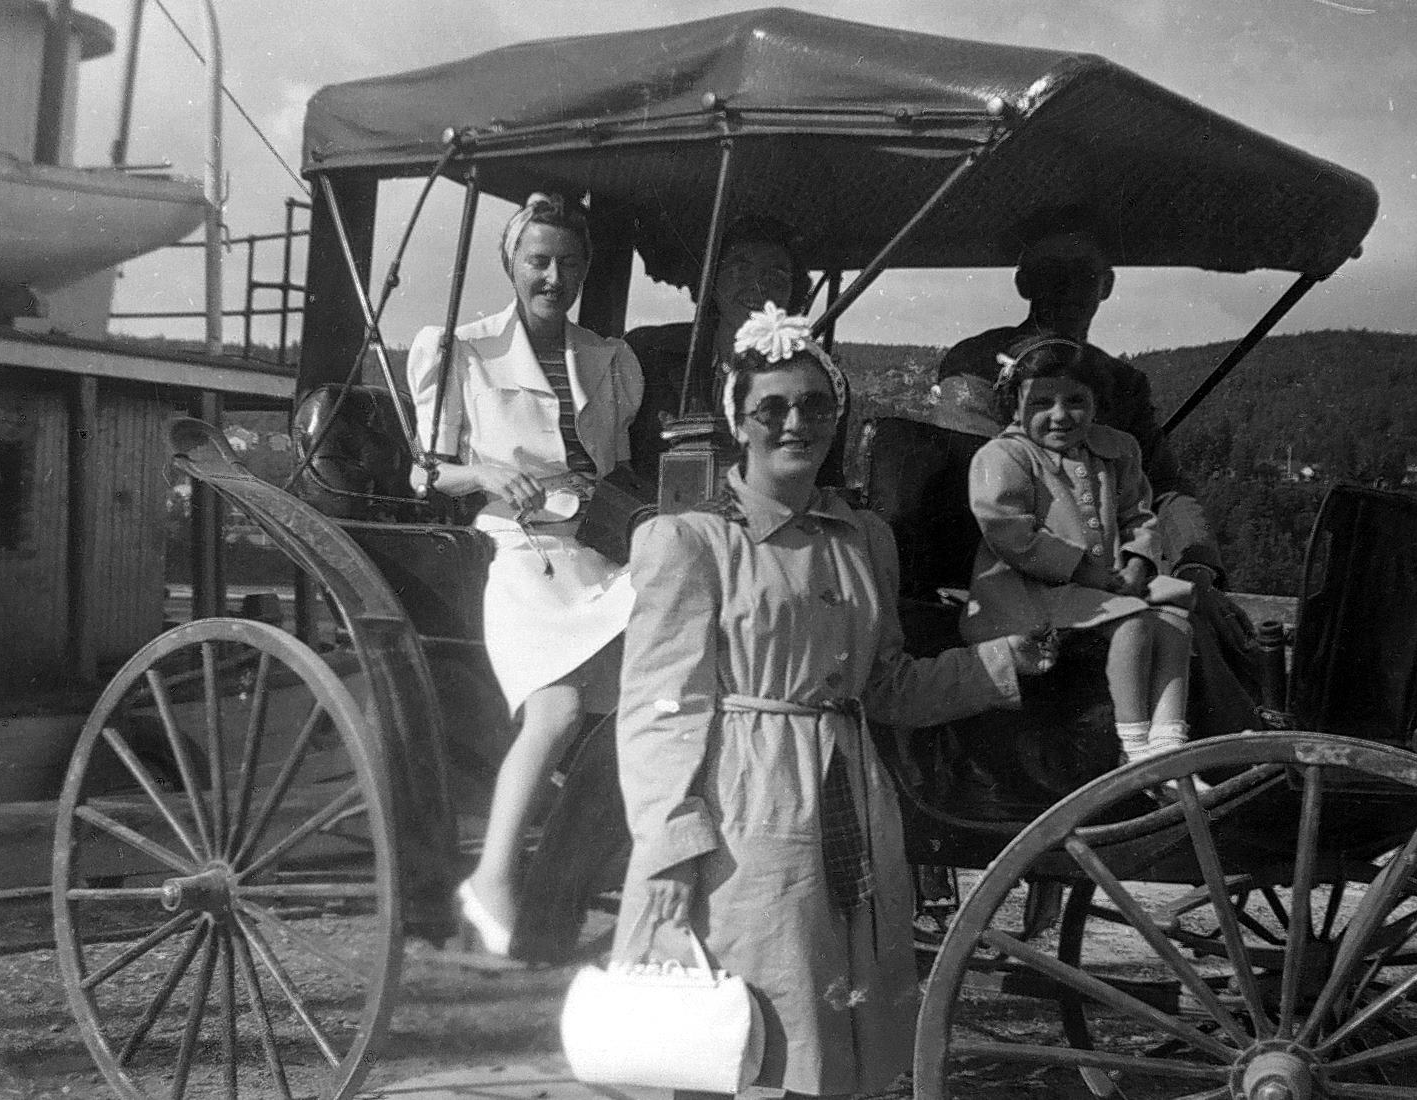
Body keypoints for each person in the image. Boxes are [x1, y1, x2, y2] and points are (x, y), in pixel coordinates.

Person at [614, 305, 1055, 1099]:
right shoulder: (689, 543)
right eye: (772, 408)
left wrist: (994, 663)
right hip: (744, 814)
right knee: (743, 1036)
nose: (795, 423)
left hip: (849, 798)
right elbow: (659, 710)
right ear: (738, 421)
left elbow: (884, 685)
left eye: (816, 406)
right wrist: (671, 847)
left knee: (842, 1039)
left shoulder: (863, 540)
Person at [406, 193, 645, 957]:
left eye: (569, 264)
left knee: (662, 684)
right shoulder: (462, 352)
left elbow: (622, 471)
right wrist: (480, 471)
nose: (554, 277)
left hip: (600, 556)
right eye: (539, 261)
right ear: (512, 264)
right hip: (517, 552)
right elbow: (426, 473)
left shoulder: (609, 360)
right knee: (558, 712)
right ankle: (494, 877)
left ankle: (585, 874)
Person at [959, 337, 1200, 775]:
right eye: (1041, 402)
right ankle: (1134, 750)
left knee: (1176, 625)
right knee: (1134, 623)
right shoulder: (1004, 456)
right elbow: (1010, 532)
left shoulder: (1117, 449)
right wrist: (1092, 574)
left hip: (1104, 584)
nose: (1059, 415)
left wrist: (1136, 561)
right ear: (1014, 406)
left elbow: (1137, 514)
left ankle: (1168, 744)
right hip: (1027, 591)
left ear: (1095, 405)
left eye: (1075, 401)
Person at [936, 226, 1224, 588]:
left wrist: (1196, 565)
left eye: (1084, 273)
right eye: (1051, 272)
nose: (1069, 287)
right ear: (1024, 283)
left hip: (1108, 578)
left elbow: (1164, 488)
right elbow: (984, 483)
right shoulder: (978, 365)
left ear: (1107, 285)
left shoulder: (1122, 384)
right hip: (1005, 576)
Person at [624, 215, 810, 482]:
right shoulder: (648, 353)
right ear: (711, 279)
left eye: (775, 276)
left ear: (794, 292)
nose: (758, 286)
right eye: (740, 270)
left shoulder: (809, 379)